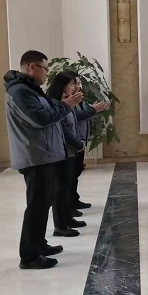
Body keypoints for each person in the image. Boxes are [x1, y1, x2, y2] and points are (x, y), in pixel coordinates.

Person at [4, 50, 83, 269]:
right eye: (45, 69)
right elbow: (40, 119)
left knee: (43, 203)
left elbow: (49, 114)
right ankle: (29, 256)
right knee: (36, 206)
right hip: (35, 156)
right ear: (32, 67)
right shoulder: (19, 91)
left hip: (44, 155)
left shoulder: (31, 90)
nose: (47, 74)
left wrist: (63, 106)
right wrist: (67, 106)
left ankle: (39, 244)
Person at [46, 72, 87, 237]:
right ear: (61, 86)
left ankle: (67, 219)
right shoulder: (56, 104)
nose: (74, 87)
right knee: (60, 190)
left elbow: (73, 125)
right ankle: (60, 226)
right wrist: (77, 144)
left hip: (70, 152)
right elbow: (64, 129)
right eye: (71, 84)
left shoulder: (67, 104)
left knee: (67, 187)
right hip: (62, 153)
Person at [70, 71, 109, 210]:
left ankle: (74, 200)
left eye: (79, 83)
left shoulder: (78, 99)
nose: (78, 86)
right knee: (71, 175)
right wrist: (93, 110)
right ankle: (69, 204)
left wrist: (95, 109)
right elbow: (76, 116)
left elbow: (83, 115)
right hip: (73, 142)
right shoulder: (68, 101)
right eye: (75, 83)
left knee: (76, 173)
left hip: (80, 141)